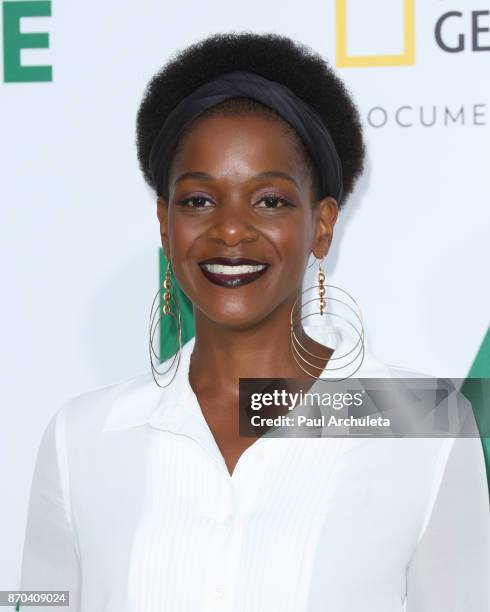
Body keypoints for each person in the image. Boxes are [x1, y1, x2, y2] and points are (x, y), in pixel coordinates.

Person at [18, 32, 489, 612]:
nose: (232, 230)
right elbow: (36, 602)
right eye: (197, 201)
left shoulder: (426, 425)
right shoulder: (80, 437)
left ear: (322, 224)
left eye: (269, 200)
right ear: (164, 223)